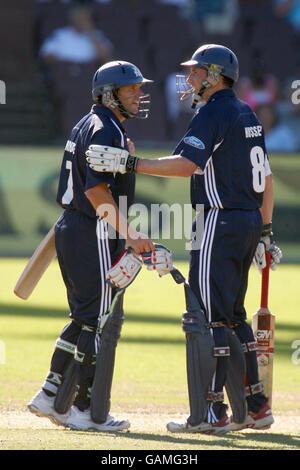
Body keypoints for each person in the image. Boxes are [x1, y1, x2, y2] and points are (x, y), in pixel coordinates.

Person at [85, 44, 282, 434]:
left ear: (214, 75)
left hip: (218, 222)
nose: (188, 78)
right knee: (233, 316)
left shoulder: (213, 112)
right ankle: (257, 407)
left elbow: (186, 166)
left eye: (195, 72)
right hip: (247, 223)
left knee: (208, 319)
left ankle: (211, 414)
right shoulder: (247, 113)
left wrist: (131, 163)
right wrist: (264, 230)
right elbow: (268, 180)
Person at [28, 60, 158, 432]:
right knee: (95, 321)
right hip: (93, 229)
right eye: (130, 88)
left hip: (74, 226)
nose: (139, 93)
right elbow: (96, 190)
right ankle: (80, 408)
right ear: (108, 93)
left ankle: (53, 394)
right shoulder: (107, 129)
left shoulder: (90, 123)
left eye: (139, 87)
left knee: (85, 317)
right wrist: (131, 234)